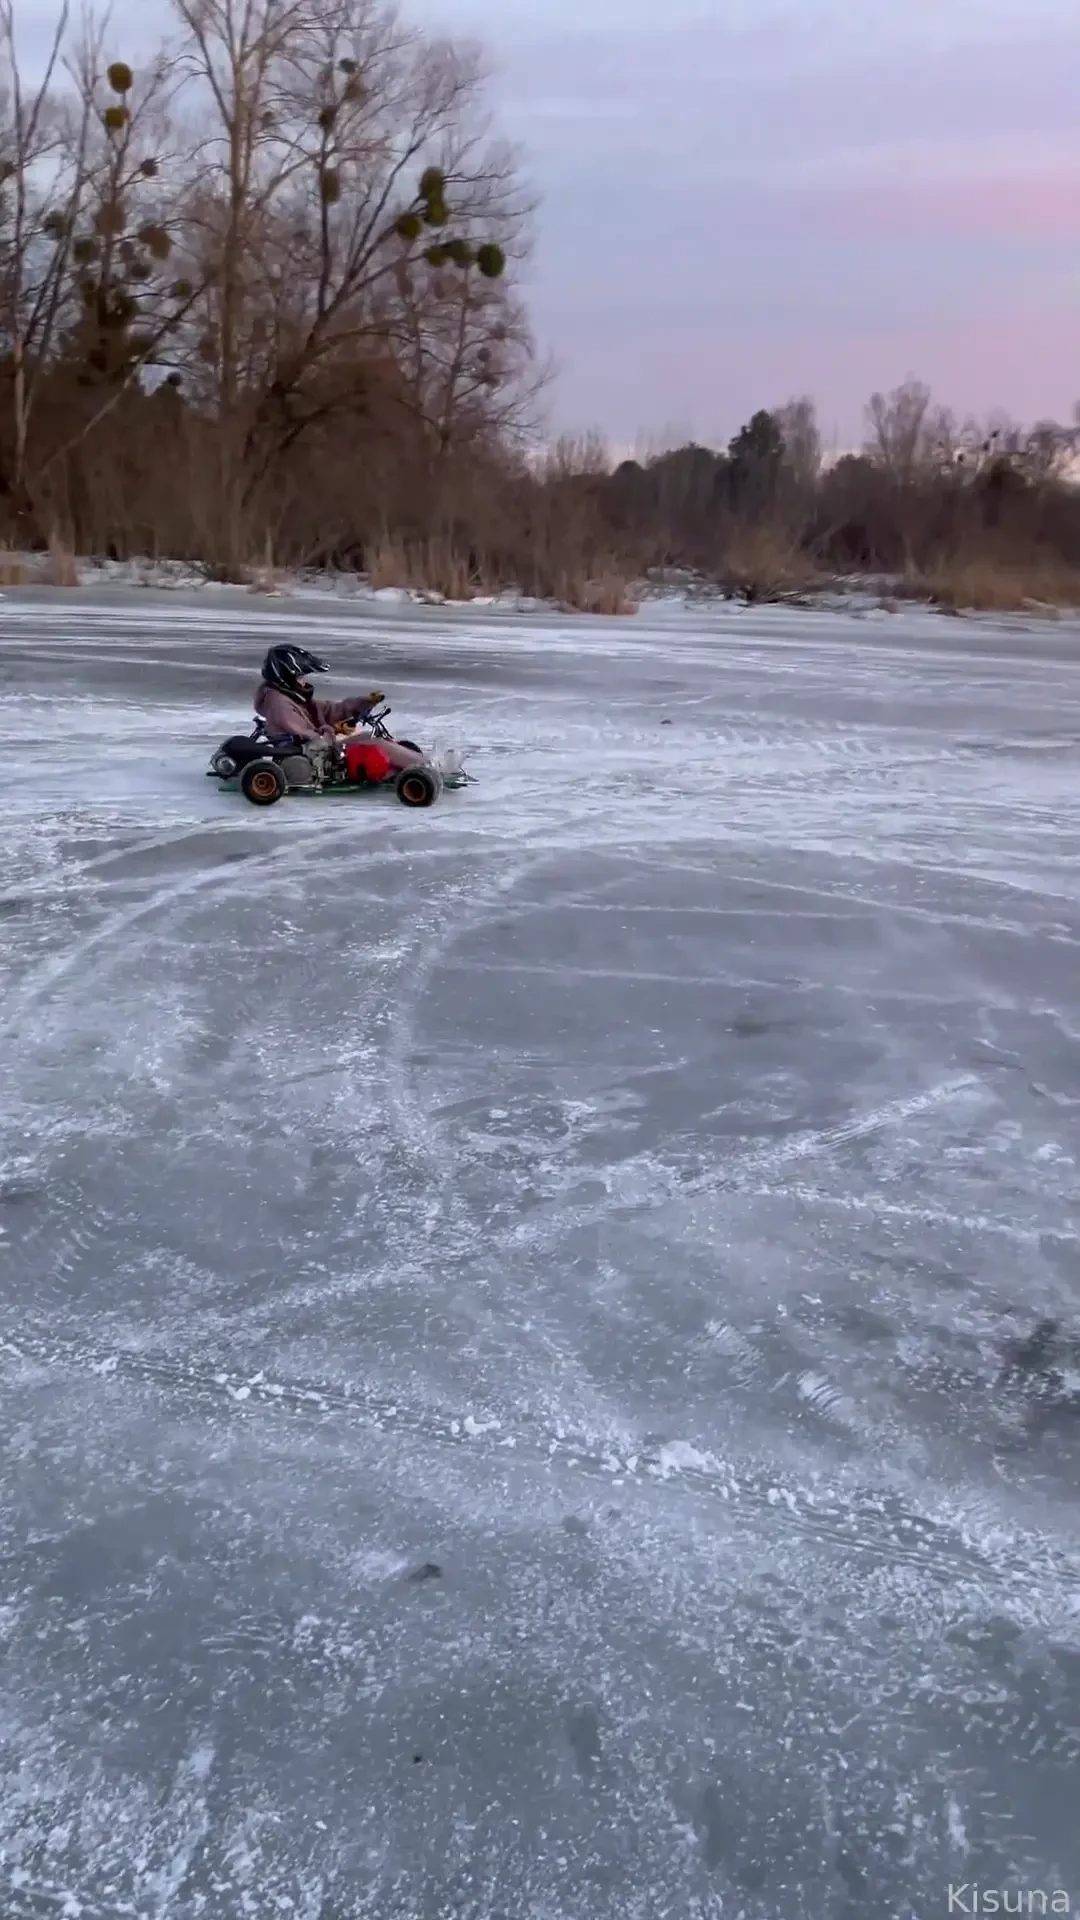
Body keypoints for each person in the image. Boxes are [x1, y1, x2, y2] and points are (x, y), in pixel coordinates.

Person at [253, 645, 427, 771]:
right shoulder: (280, 704)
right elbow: (306, 738)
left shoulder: (288, 698)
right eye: (300, 678)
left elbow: (327, 711)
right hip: (313, 757)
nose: (304, 682)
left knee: (373, 737)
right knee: (374, 742)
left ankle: (417, 764)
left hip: (318, 750)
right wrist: (333, 731)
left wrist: (364, 702)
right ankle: (423, 768)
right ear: (286, 678)